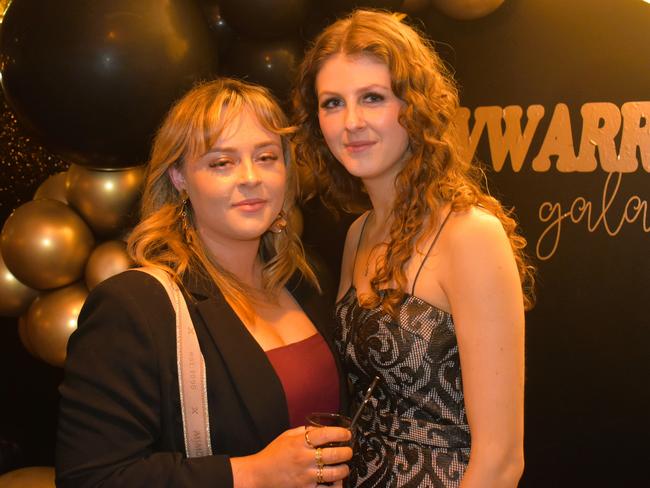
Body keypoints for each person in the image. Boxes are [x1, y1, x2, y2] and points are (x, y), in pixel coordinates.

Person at [56, 78, 353, 487]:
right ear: (179, 177)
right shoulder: (137, 306)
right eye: (221, 162)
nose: (250, 177)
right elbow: (91, 478)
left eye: (266, 157)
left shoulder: (306, 282)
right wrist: (251, 474)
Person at [293, 9, 535, 488]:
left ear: (415, 106)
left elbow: (502, 462)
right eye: (333, 103)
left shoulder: (470, 235)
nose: (352, 122)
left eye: (373, 98)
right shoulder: (358, 233)